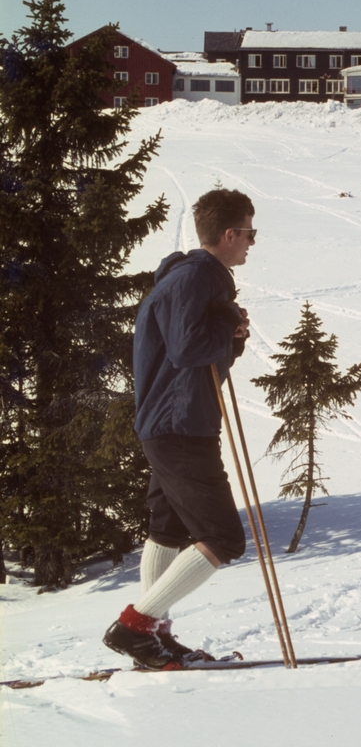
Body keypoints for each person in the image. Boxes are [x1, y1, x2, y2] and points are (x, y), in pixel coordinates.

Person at [102, 188, 255, 667]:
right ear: (228, 234)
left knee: (167, 530)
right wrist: (224, 327)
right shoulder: (194, 279)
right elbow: (187, 350)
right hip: (179, 424)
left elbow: (194, 354)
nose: (252, 243)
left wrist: (230, 336)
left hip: (175, 419)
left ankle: (155, 637)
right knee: (223, 537)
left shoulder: (196, 279)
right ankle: (134, 628)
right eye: (250, 234)